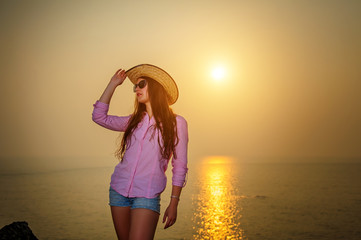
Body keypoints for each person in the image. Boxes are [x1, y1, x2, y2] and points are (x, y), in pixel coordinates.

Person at [92, 64, 188, 240]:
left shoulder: (176, 123)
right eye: (135, 86)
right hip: (118, 191)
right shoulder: (133, 121)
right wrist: (112, 84)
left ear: (156, 87)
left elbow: (180, 165)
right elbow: (99, 117)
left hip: (147, 195)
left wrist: (174, 203)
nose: (136, 88)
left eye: (141, 84)